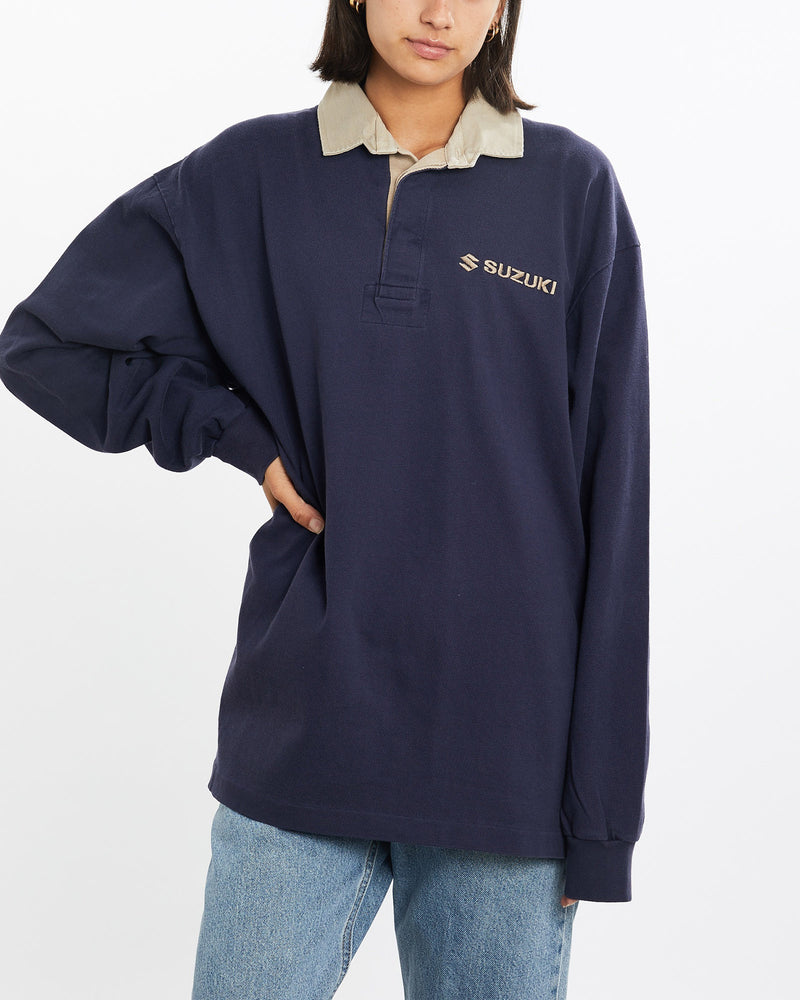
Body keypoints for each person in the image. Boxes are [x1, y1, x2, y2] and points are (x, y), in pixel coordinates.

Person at [0, 0, 650, 996]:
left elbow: (616, 504)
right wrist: (241, 440)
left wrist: (599, 824)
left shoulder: (572, 190)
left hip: (506, 762)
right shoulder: (250, 175)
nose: (437, 12)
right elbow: (47, 345)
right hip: (303, 730)